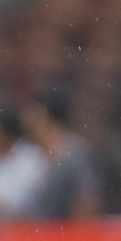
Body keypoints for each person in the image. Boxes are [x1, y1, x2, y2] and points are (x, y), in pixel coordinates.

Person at [21, 92, 101, 220]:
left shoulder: (74, 151)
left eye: (34, 114)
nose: (27, 119)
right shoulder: (28, 153)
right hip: (34, 232)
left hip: (62, 232)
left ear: (48, 117)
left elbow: (86, 198)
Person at [0, 111, 47, 221]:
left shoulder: (31, 157)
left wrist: (4, 206)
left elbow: (34, 196)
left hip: (28, 223)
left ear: (4, 133)